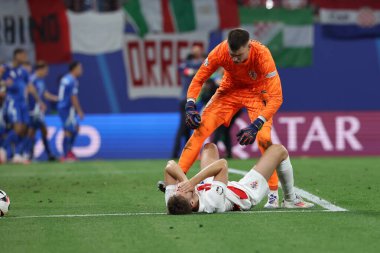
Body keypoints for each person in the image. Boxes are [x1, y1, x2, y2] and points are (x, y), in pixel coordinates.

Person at [178, 29, 282, 208]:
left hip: (257, 93)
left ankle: (273, 193)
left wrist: (257, 124)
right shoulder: (220, 51)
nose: (234, 59)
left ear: (249, 47)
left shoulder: (263, 55)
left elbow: (277, 98)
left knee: (264, 139)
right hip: (229, 92)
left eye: (239, 55)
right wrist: (190, 104)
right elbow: (198, 79)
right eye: (232, 55)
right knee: (199, 132)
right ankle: (176, 185)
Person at [164, 143, 314, 215]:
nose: (178, 189)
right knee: (278, 150)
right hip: (243, 192)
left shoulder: (174, 201)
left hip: (211, 184)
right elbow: (223, 164)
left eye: (176, 190)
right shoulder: (212, 203)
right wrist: (191, 182)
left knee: (209, 147)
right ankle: (290, 199)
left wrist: (186, 182)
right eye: (181, 191)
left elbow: (169, 165)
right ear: (192, 203)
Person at [0, 48, 46, 163]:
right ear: (17, 56)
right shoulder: (6, 68)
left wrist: (39, 101)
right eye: (24, 55)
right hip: (12, 102)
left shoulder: (24, 71)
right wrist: (4, 84)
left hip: (22, 103)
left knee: (26, 128)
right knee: (18, 127)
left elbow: (30, 86)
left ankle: (17, 155)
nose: (26, 57)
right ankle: (2, 149)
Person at [172, 45, 205, 158]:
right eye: (194, 50)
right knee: (183, 127)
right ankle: (175, 153)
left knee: (187, 128)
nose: (196, 51)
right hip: (186, 100)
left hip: (193, 100)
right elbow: (182, 69)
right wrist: (192, 71)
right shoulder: (188, 63)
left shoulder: (201, 64)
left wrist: (194, 71)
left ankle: (187, 153)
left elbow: (206, 71)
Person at [25, 61, 58, 161]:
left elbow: (44, 94)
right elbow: (27, 92)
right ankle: (30, 154)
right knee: (37, 131)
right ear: (40, 69)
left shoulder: (41, 81)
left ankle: (31, 154)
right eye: (45, 70)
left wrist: (57, 98)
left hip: (38, 110)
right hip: (32, 110)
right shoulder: (32, 79)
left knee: (35, 131)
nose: (46, 73)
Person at [57, 61, 84, 161]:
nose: (81, 70)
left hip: (63, 107)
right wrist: (79, 111)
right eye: (80, 68)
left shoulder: (65, 78)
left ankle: (68, 151)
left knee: (75, 128)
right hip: (67, 108)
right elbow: (73, 97)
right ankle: (65, 155)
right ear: (74, 69)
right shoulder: (72, 80)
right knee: (68, 130)